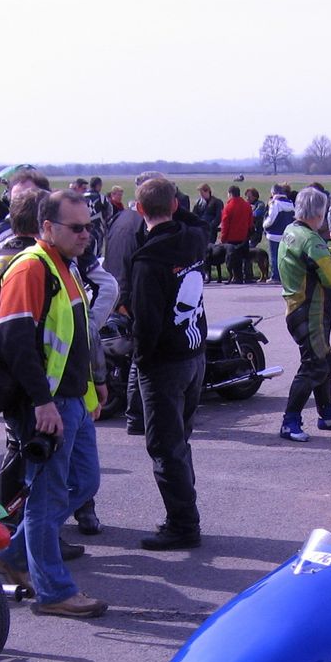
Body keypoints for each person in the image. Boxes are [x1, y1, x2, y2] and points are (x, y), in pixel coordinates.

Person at [0, 189, 107, 618]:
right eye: (76, 228)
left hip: (72, 400)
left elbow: (76, 336)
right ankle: (54, 592)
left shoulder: (65, 265)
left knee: (84, 482)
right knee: (46, 496)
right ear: (47, 227)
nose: (86, 235)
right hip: (47, 406)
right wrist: (42, 402)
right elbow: (15, 342)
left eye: (89, 226)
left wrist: (94, 385)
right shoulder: (30, 268)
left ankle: (11, 556)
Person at [128, 176, 207, 550]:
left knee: (165, 447)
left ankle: (183, 524)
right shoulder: (194, 238)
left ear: (139, 209)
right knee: (179, 442)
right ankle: (185, 516)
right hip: (194, 355)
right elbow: (196, 221)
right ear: (176, 205)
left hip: (164, 364)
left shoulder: (148, 260)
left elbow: (145, 322)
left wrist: (141, 361)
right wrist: (174, 202)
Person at [277, 187, 331, 442]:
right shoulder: (311, 240)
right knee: (315, 364)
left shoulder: (291, 231)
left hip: (296, 308)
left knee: (326, 361)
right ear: (319, 213)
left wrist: (330, 256)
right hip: (310, 311)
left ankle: (326, 414)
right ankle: (290, 421)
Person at [218, 184, 255, 283]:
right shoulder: (247, 205)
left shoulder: (228, 207)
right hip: (244, 236)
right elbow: (250, 222)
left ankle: (238, 278)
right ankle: (248, 276)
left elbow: (225, 225)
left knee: (235, 259)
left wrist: (223, 238)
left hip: (232, 238)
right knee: (246, 257)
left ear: (230, 194)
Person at [263, 183, 297, 286]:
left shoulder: (275, 203)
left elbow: (271, 219)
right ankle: (286, 276)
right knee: (286, 256)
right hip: (288, 233)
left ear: (273, 192)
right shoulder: (290, 203)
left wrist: (264, 225)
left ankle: (275, 277)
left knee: (274, 256)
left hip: (275, 234)